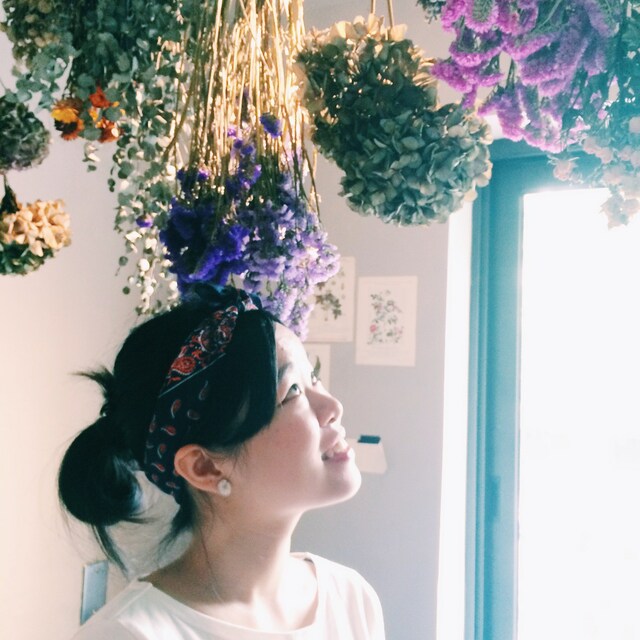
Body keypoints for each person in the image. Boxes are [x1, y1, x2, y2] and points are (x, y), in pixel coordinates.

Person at [58, 285, 385, 639]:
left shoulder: (350, 598)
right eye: (292, 391)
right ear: (205, 468)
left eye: (313, 378)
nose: (333, 407)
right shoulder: (130, 633)